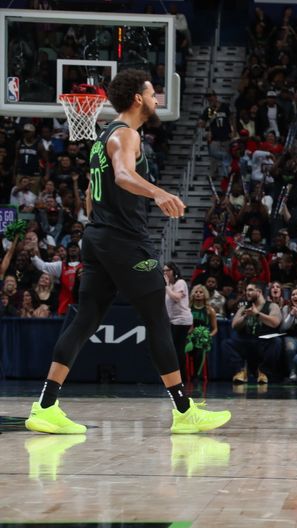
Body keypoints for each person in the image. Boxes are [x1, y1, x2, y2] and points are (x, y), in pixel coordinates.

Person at [25, 70, 230, 434]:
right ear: (138, 98)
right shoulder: (126, 134)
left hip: (99, 238)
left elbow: (91, 193)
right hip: (124, 241)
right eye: (153, 94)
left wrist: (103, 226)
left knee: (86, 318)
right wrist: (159, 193)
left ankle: (45, 406)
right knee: (156, 318)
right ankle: (184, 412)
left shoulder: (100, 136)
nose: (156, 100)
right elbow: (121, 176)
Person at [224, 282, 283, 384]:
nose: (247, 293)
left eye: (250, 290)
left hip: (263, 342)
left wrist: (257, 314)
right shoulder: (244, 308)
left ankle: (263, 372)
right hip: (247, 341)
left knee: (276, 342)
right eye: (246, 290)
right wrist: (245, 316)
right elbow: (234, 325)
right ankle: (241, 371)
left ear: (259, 292)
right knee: (226, 343)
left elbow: (275, 322)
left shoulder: (271, 306)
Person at [164, 262, 193, 382]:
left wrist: (166, 286)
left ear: (174, 271)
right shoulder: (169, 285)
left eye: (167, 270)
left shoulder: (180, 283)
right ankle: (175, 376)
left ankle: (182, 378)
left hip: (182, 320)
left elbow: (176, 297)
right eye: (164, 271)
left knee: (178, 349)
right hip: (172, 320)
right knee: (173, 349)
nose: (165, 273)